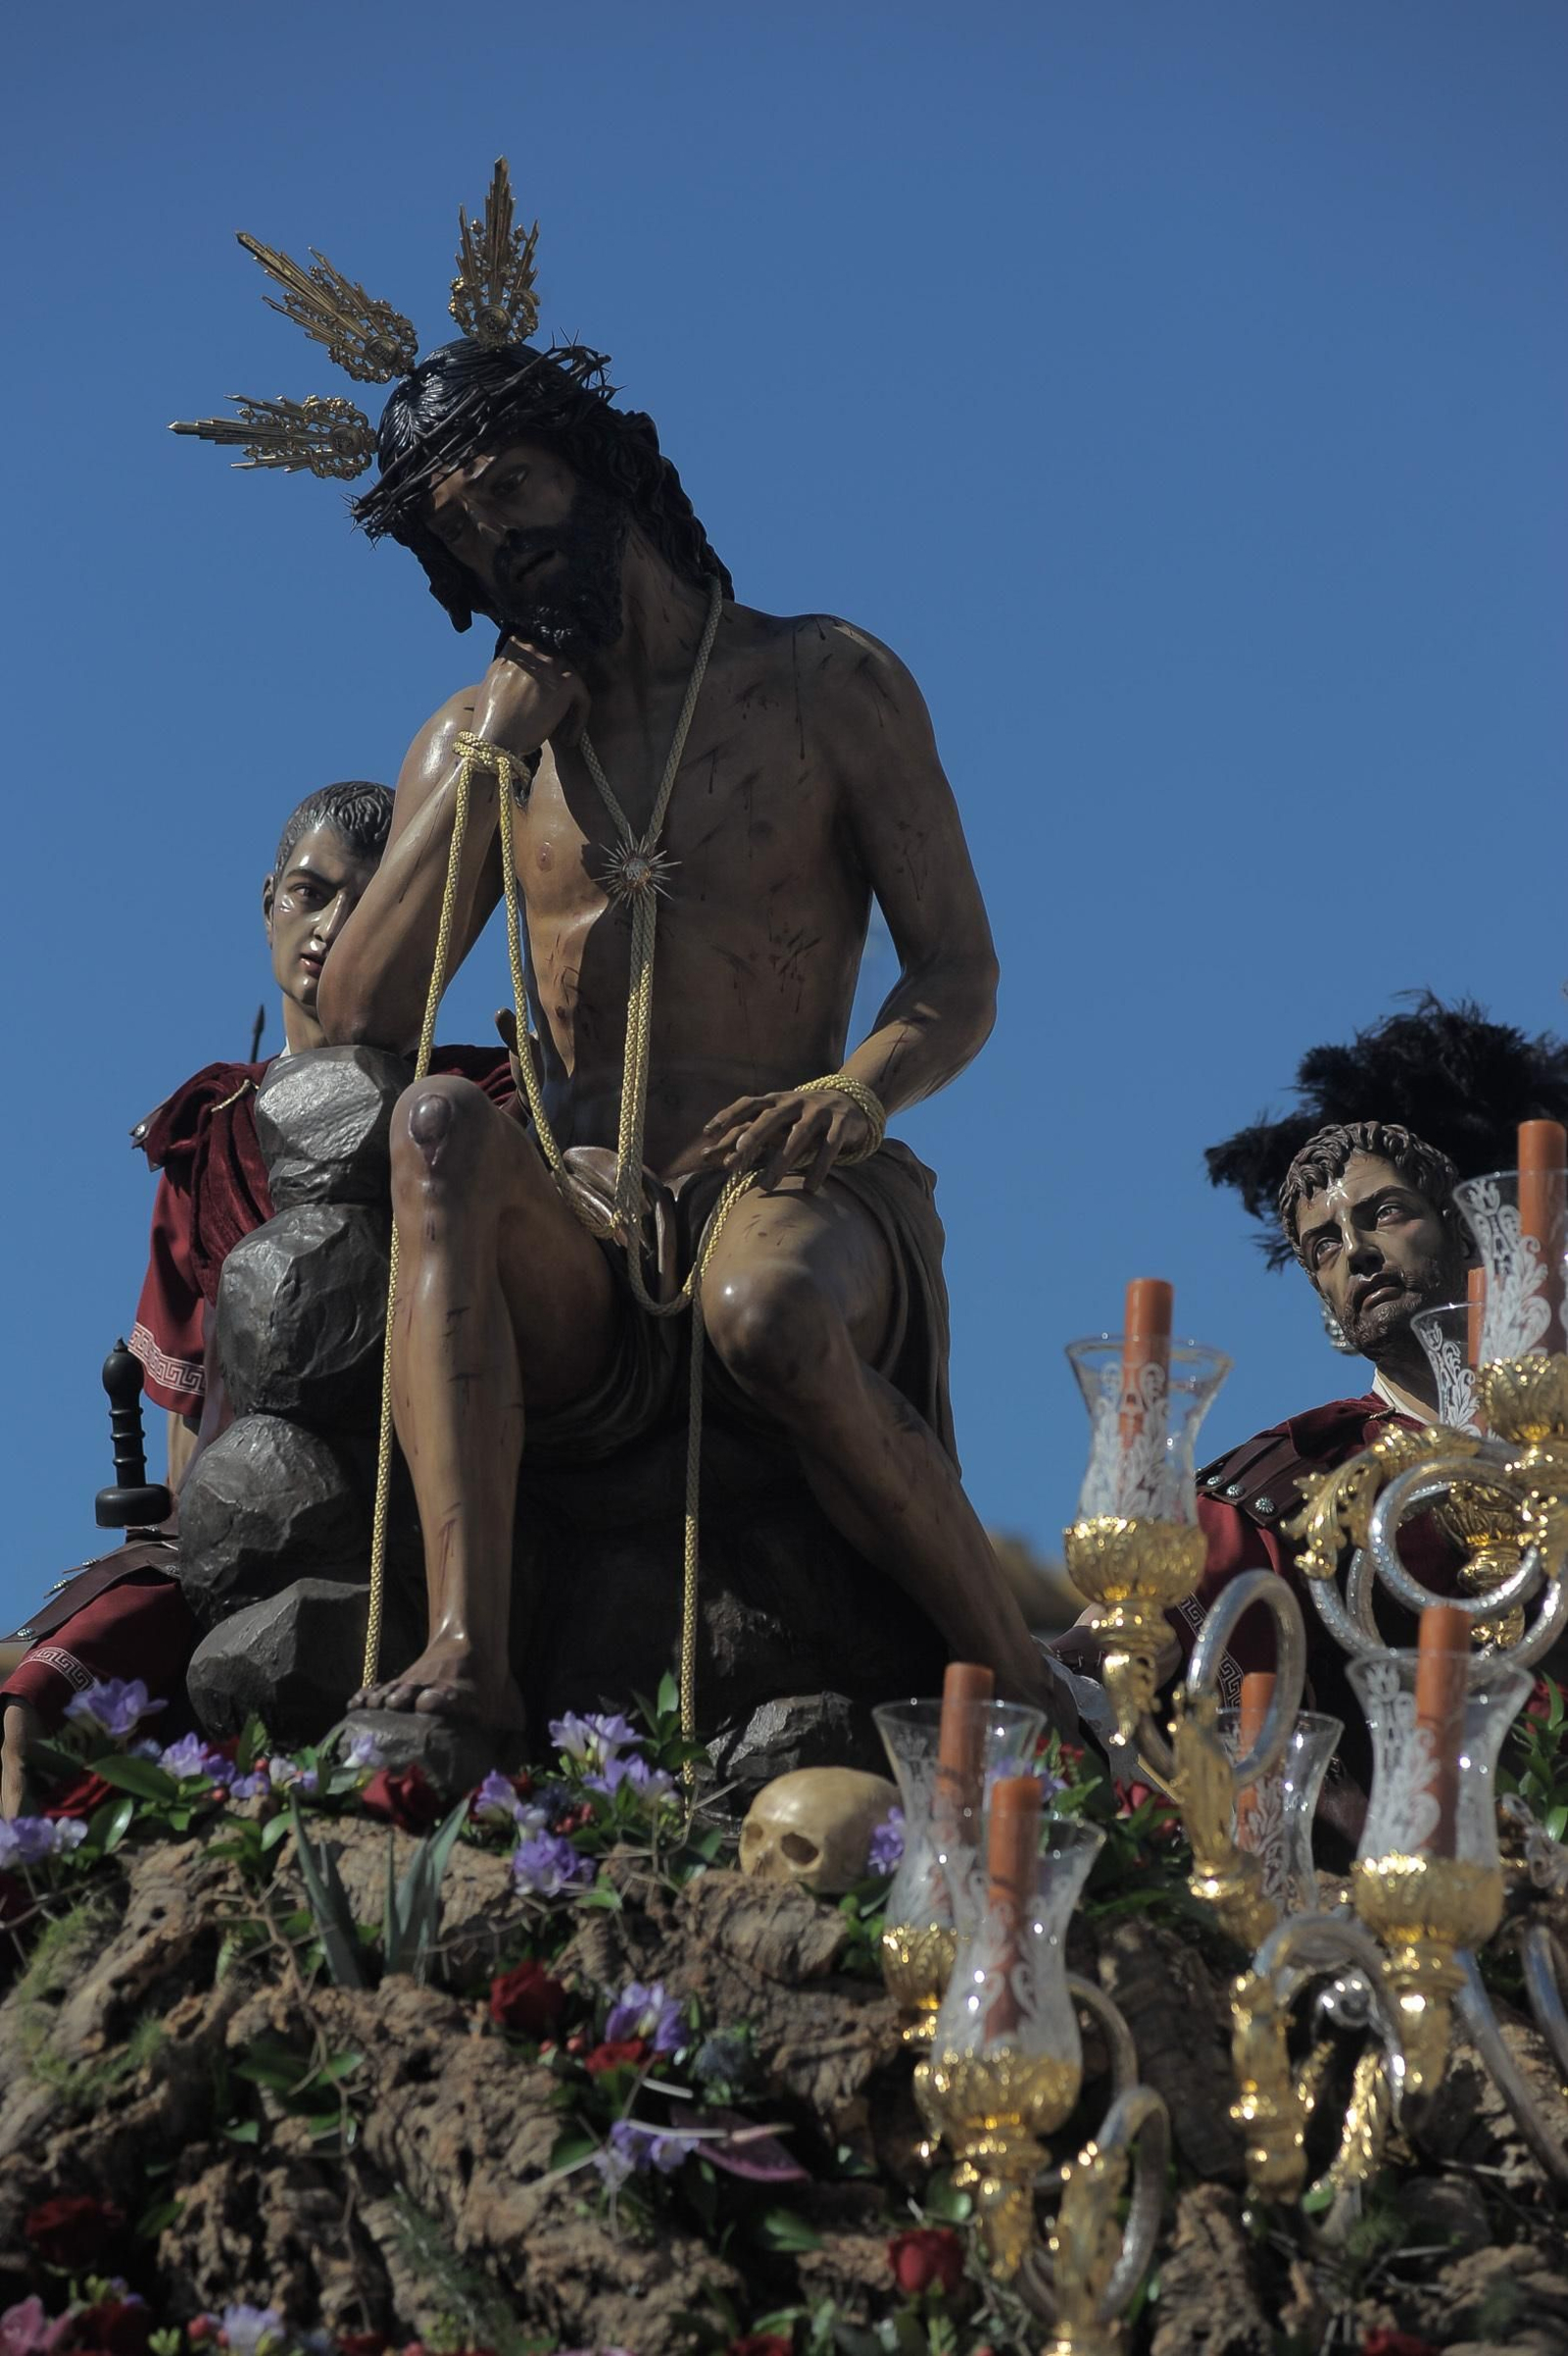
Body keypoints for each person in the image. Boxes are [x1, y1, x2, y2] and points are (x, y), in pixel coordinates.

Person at [264, 242, 1063, 1739]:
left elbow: (958, 973)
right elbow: (366, 1013)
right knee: (437, 1122)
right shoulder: (478, 742)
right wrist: (500, 743)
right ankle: (465, 1657)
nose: (500, 543)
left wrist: (854, 1092)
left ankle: (1028, 1697)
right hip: (588, 1208)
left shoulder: (827, 682)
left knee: (762, 1314)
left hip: (793, 1180)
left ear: (598, 466)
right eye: (463, 534)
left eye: (509, 488)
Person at [0, 782, 512, 1812]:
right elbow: (194, 1434)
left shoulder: (485, 1107)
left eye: (369, 907)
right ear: (267, 900)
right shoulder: (210, 1131)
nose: (331, 929)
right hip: (238, 1545)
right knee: (27, 1711)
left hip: (443, 1530)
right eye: (310, 893)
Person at [1187, 996, 1568, 1761]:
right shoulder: (1288, 1484)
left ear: (1462, 1229)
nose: (1355, 1252)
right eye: (1323, 1246)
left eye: (1385, 1213)